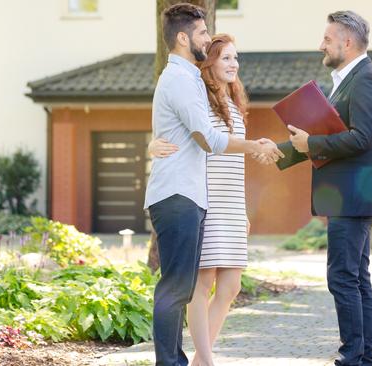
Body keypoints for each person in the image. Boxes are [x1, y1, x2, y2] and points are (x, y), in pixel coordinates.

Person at [144, 3, 283, 365]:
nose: (207, 37)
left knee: (185, 287)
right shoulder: (182, 80)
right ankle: (183, 361)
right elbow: (205, 138)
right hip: (182, 194)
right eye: (203, 33)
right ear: (182, 37)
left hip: (197, 195)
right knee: (179, 288)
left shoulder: (187, 78)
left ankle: (186, 360)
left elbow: (177, 128)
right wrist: (254, 146)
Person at [276, 10, 372, 366]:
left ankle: (353, 357)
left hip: (354, 193)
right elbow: (323, 135)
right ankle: (362, 355)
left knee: (343, 277)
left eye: (326, 39)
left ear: (347, 41)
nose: (320, 46)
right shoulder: (347, 79)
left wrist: (313, 144)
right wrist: (275, 151)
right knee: (355, 277)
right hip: (350, 193)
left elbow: (360, 138)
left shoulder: (367, 79)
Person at [149, 33, 251, 366]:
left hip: (232, 200)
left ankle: (198, 360)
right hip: (204, 194)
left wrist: (243, 208)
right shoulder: (198, 98)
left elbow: (236, 160)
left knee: (232, 284)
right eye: (225, 58)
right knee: (202, 283)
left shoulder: (235, 104)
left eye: (236, 58)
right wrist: (150, 146)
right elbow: (176, 136)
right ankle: (206, 359)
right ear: (209, 63)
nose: (233, 64)